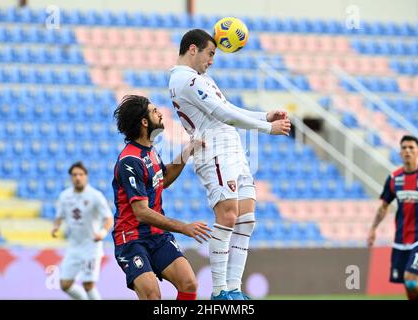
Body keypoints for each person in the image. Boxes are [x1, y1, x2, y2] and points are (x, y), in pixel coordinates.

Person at [168, 29, 291, 300]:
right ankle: (219, 291)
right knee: (228, 216)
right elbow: (223, 114)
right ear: (192, 49)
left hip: (232, 147)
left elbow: (228, 107)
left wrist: (263, 114)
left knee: (246, 220)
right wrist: (266, 127)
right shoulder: (185, 80)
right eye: (210, 54)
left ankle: (234, 288)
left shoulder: (201, 79)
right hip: (214, 150)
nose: (212, 60)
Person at [112, 94, 212, 300]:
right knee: (151, 294)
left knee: (189, 283)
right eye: (154, 110)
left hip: (157, 236)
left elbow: (162, 180)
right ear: (144, 122)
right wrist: (184, 227)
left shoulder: (150, 151)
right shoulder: (129, 161)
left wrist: (187, 152)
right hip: (132, 239)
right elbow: (141, 213)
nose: (160, 113)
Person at [367, 135, 418, 300]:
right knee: (408, 288)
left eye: (411, 148)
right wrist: (373, 229)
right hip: (401, 239)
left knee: (412, 281)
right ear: (400, 153)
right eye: (404, 148)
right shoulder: (394, 178)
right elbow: (384, 206)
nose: (407, 151)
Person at [51, 161, 114, 300]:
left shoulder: (95, 196)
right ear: (70, 177)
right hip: (74, 246)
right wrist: (56, 226)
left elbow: (109, 219)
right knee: (64, 284)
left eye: (80, 174)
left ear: (86, 176)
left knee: (88, 284)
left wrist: (102, 233)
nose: (77, 177)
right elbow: (59, 216)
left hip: (91, 246)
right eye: (74, 175)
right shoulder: (64, 196)